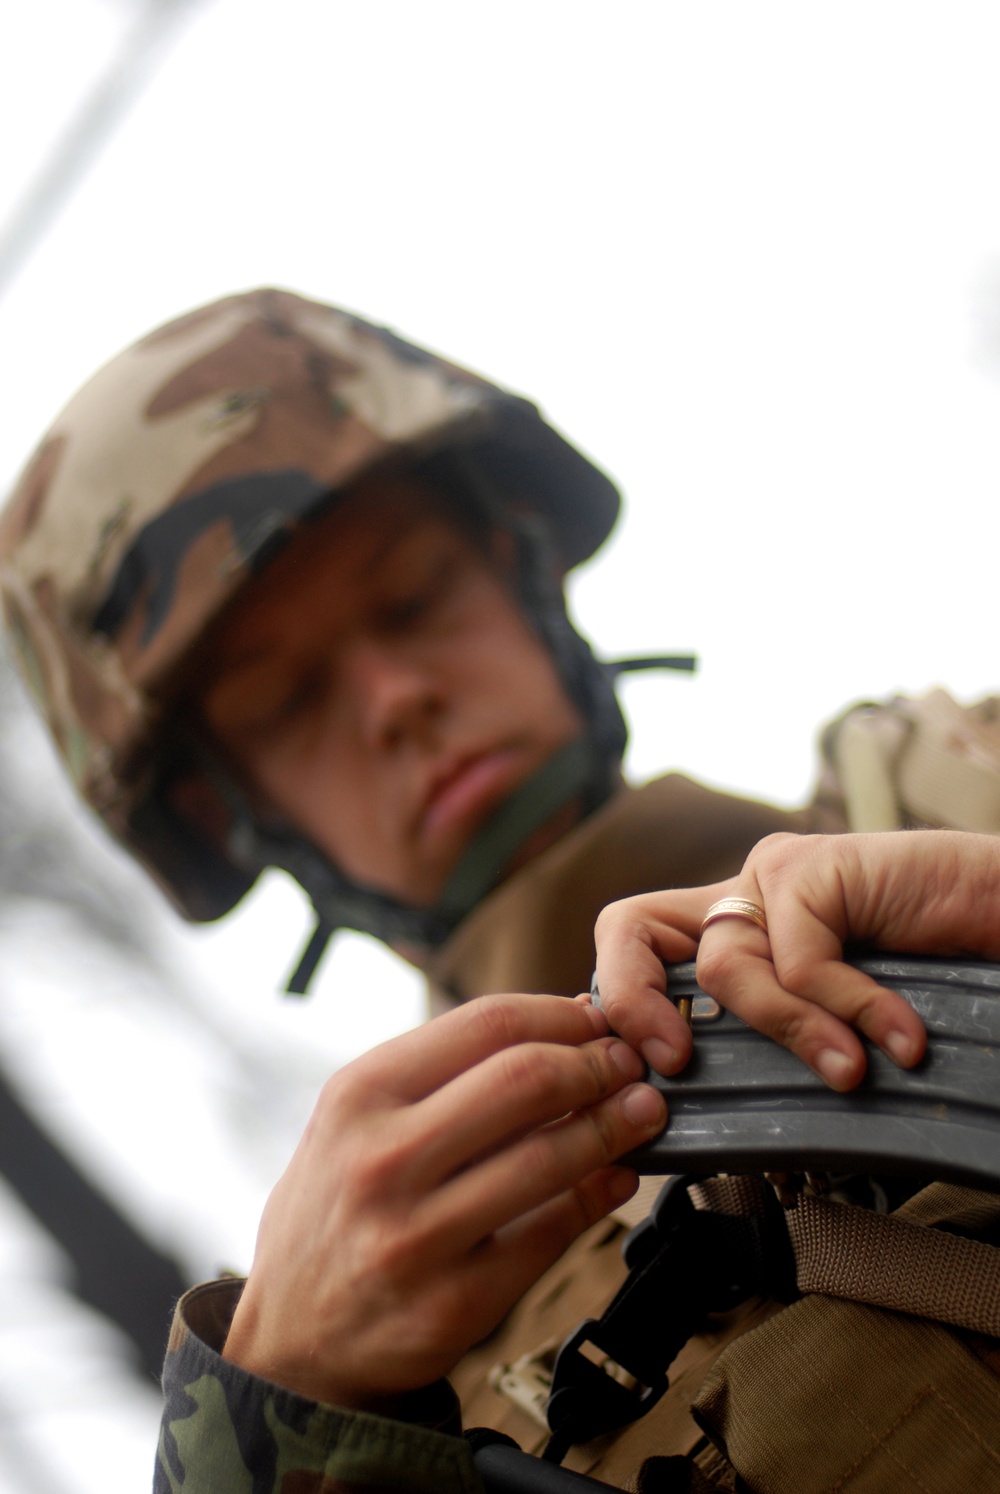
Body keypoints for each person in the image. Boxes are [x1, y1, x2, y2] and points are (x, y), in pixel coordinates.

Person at [5, 288, 982, 1491]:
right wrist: (263, 1437)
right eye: (287, 704)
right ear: (224, 811)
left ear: (517, 552)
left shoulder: (950, 793)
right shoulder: (395, 1361)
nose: (392, 699)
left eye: (414, 596)